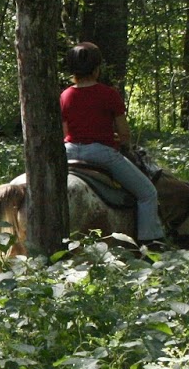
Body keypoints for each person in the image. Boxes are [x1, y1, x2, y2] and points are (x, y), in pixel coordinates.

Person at [59, 41, 166, 248]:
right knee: (147, 193)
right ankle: (150, 243)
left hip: (69, 152)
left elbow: (65, 132)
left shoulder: (65, 95)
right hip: (101, 154)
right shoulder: (109, 94)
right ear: (97, 69)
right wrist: (119, 139)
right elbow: (124, 134)